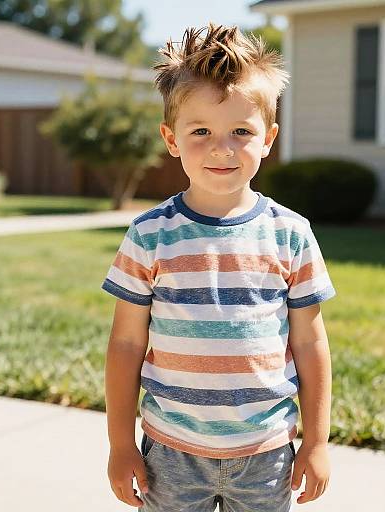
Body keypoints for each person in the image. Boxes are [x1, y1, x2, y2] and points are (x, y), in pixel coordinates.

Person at [101, 22, 337, 512]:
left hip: (266, 452)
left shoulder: (291, 233)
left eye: (241, 131)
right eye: (201, 131)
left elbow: (311, 344)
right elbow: (125, 344)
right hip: (171, 451)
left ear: (269, 138)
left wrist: (315, 443)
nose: (221, 147)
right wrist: (121, 444)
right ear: (171, 138)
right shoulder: (149, 236)